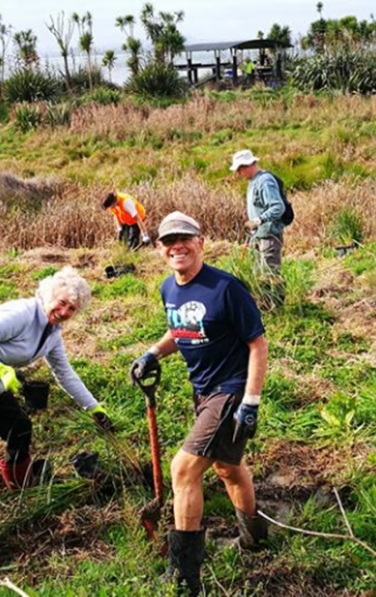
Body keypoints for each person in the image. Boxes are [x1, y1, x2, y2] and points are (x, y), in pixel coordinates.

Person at [129, 212, 270, 596]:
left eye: (184, 239)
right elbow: (180, 330)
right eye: (168, 241)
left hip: (231, 389)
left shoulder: (226, 288)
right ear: (159, 249)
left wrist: (251, 402)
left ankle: (185, 576)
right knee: (227, 466)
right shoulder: (168, 289)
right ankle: (256, 536)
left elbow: (257, 344)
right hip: (202, 390)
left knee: (184, 470)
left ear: (200, 241)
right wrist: (154, 353)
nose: (177, 246)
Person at [0, 267, 113, 570]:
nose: (64, 311)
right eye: (60, 303)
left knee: (19, 427)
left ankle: (19, 482)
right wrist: (0, 369)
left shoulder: (52, 333)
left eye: (72, 308)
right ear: (47, 295)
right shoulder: (20, 314)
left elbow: (65, 374)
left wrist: (94, 407)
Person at [230, 149, 286, 274]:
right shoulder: (252, 182)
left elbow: (278, 207)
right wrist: (250, 239)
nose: (238, 173)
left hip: (269, 237)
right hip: (258, 237)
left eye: (239, 169)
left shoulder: (265, 181)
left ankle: (277, 294)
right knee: (258, 275)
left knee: (270, 275)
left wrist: (258, 220)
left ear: (248, 165)